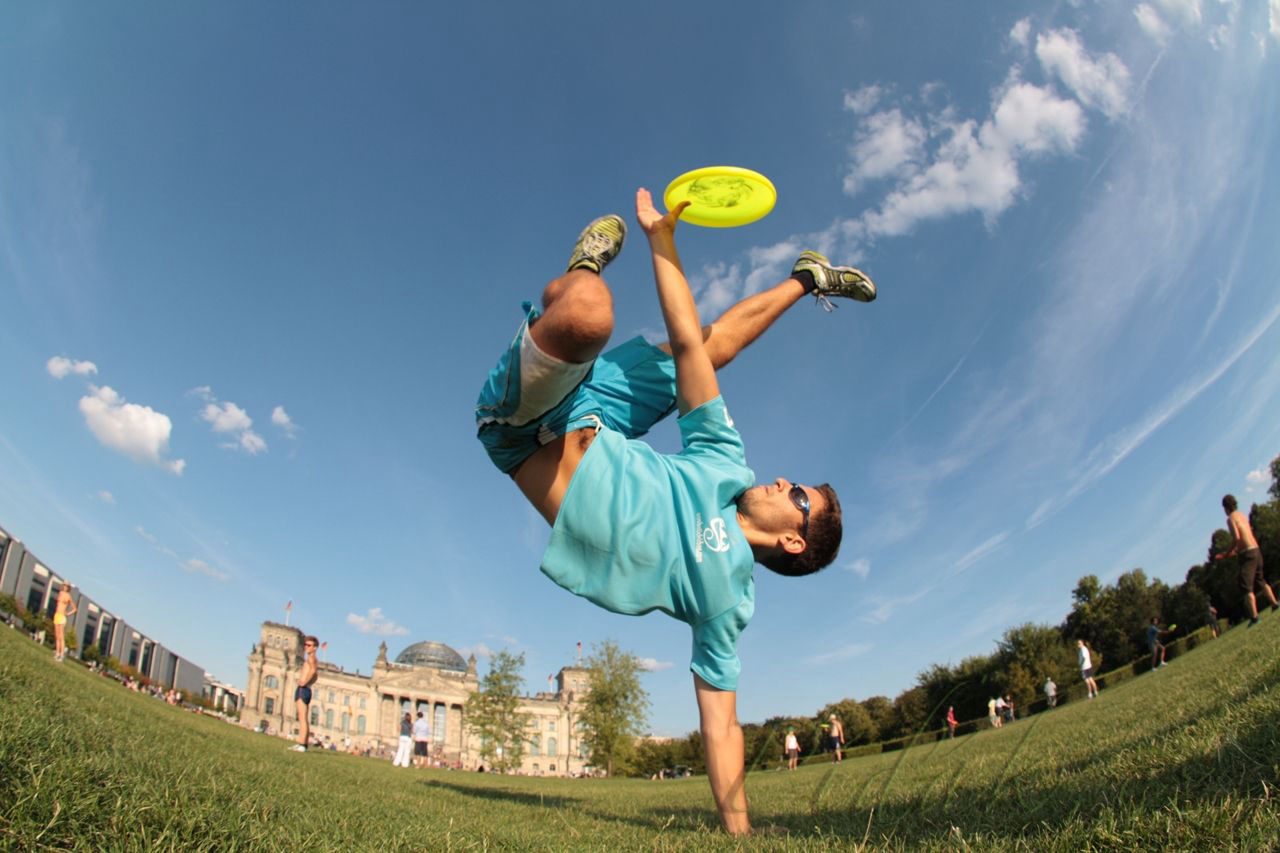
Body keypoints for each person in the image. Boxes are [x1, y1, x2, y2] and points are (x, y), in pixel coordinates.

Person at [473, 191, 873, 834]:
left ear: (795, 542)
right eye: (797, 481)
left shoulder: (725, 599)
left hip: (526, 434)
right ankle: (807, 277)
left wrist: (737, 832)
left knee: (587, 314)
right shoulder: (727, 465)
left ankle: (581, 269)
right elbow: (690, 344)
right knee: (711, 351)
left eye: (799, 497)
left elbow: (721, 722)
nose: (783, 480)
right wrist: (662, 238)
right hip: (603, 413)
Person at [1215, 494, 1278, 627]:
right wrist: (1235, 551)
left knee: (1245, 586)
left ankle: (1254, 618)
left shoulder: (1231, 518)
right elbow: (1246, 536)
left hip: (1248, 554)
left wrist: (1226, 554)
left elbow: (1237, 538)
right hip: (1256, 549)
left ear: (1226, 508)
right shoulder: (1242, 516)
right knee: (1261, 580)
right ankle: (1274, 604)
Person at [289, 635, 319, 752]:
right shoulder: (313, 659)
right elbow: (315, 675)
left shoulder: (311, 659)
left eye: (309, 645)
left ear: (315, 648)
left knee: (302, 718)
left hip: (303, 689)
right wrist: (309, 682)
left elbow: (313, 672)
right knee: (303, 718)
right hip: (306, 688)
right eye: (305, 645)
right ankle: (302, 744)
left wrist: (304, 682)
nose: (306, 647)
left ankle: (302, 745)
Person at [51, 584, 77, 662]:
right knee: (57, 635)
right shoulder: (60, 593)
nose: (65, 587)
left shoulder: (68, 596)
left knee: (61, 636)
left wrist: (68, 613)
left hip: (62, 616)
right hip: (57, 615)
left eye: (66, 586)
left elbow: (75, 608)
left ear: (68, 588)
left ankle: (62, 655)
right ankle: (57, 652)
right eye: (64, 586)